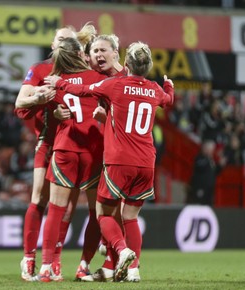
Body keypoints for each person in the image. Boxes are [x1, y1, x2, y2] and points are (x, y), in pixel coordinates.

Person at [46, 41, 174, 282]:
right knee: (131, 217)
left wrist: (59, 83)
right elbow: (169, 100)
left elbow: (84, 90)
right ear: (148, 67)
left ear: (125, 63)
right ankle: (133, 269)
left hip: (119, 161)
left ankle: (121, 248)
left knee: (103, 214)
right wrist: (169, 85)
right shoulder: (156, 89)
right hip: (147, 162)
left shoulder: (115, 84)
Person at [14, 23, 97, 281]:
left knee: (66, 209)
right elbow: (20, 102)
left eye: (67, 42)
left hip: (72, 143)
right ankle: (29, 258)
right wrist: (40, 100)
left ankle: (54, 261)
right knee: (39, 198)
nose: (62, 45)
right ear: (52, 45)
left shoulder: (82, 72)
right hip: (49, 142)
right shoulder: (40, 70)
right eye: (59, 40)